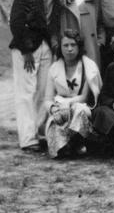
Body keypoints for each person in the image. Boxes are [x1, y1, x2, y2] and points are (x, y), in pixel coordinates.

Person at [9, 0, 63, 152]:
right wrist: (26, 50)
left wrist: (55, 46)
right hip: (26, 48)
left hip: (47, 47)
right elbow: (15, 22)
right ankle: (27, 138)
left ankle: (41, 133)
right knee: (26, 92)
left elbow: (54, 23)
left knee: (43, 91)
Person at [43, 30, 101, 158]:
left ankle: (78, 142)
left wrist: (66, 105)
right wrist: (53, 109)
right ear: (60, 47)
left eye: (73, 45)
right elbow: (47, 99)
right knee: (56, 129)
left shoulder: (88, 66)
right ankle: (65, 146)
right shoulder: (54, 69)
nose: (69, 49)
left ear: (79, 46)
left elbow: (84, 97)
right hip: (59, 108)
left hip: (81, 106)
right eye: (66, 45)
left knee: (78, 111)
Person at [59, 0, 104, 67]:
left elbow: (100, 23)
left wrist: (100, 42)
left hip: (90, 44)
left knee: (90, 75)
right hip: (70, 45)